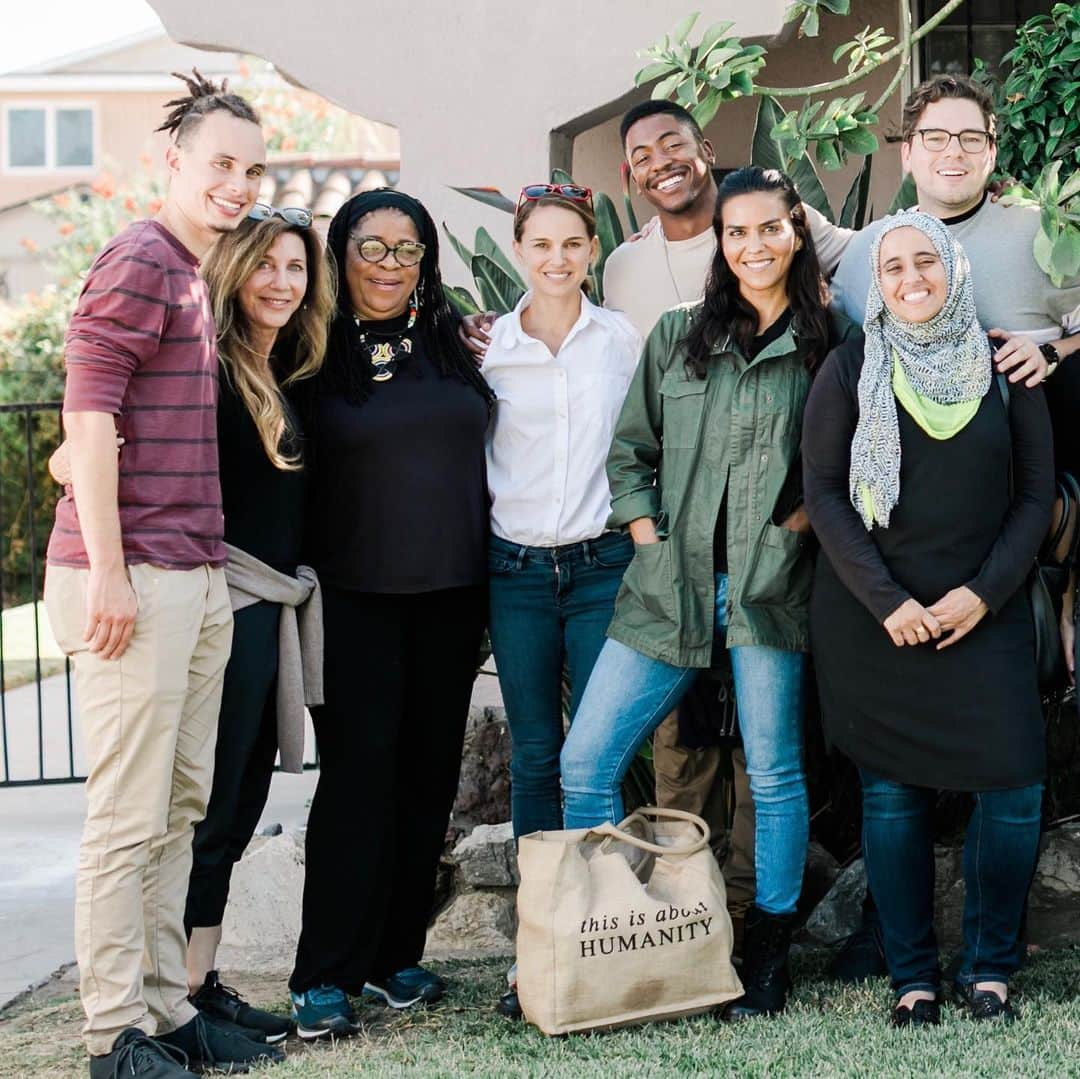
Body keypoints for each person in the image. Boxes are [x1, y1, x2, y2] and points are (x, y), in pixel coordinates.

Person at [559, 166, 858, 1020]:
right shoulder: (679, 335)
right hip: (668, 587)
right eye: (737, 232)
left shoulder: (830, 340)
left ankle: (766, 947)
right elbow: (630, 453)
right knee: (587, 762)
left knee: (773, 774)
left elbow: (841, 465)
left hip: (772, 591)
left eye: (770, 228)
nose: (753, 245)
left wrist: (791, 533)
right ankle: (602, 927)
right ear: (719, 243)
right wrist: (648, 541)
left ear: (796, 232)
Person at [42, 72, 281, 1078]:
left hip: (194, 570)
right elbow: (86, 420)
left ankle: (167, 1006)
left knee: (181, 804)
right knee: (127, 814)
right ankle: (111, 1034)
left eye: (252, 167)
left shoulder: (197, 270)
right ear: (173, 162)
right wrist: (105, 571)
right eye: (221, 163)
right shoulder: (140, 258)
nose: (237, 182)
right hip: (132, 572)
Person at [824, 72, 1080, 984]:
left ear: (993, 148)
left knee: (1012, 763)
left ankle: (994, 956)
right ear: (907, 149)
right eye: (936, 137)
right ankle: (898, 952)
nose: (953, 152)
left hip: (1015, 530)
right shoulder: (859, 258)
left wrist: (1055, 346)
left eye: (970, 138)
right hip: (889, 561)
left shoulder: (1036, 235)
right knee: (891, 784)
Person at [802, 211, 1053, 1026]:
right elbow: (827, 499)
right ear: (874, 281)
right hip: (881, 621)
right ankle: (912, 976)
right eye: (892, 265)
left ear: (954, 269)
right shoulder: (849, 368)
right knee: (893, 798)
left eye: (926, 261)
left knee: (1013, 791)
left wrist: (982, 593)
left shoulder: (1006, 365)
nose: (911, 278)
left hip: (991, 608)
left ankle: (990, 968)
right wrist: (891, 604)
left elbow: (1034, 498)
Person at [285, 188, 494, 1038]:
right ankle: (323, 972)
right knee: (357, 783)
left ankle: (394, 958)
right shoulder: (307, 355)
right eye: (371, 248)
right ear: (340, 255)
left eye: (406, 250)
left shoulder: (456, 342)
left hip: (451, 594)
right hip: (353, 599)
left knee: (427, 779)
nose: (389, 266)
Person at [481, 184, 641, 1014]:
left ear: (591, 250)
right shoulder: (489, 349)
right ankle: (537, 945)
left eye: (572, 244)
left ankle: (606, 930)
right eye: (540, 245)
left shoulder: (622, 340)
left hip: (602, 567)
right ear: (519, 251)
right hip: (516, 573)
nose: (556, 260)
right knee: (538, 754)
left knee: (601, 750)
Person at [180, 206, 334, 1040]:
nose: (281, 281)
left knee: (240, 801)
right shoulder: (203, 368)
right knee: (210, 808)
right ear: (233, 269)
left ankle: (201, 982)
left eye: (296, 267)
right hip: (228, 605)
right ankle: (172, 994)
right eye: (266, 264)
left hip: (271, 606)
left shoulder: (283, 370)